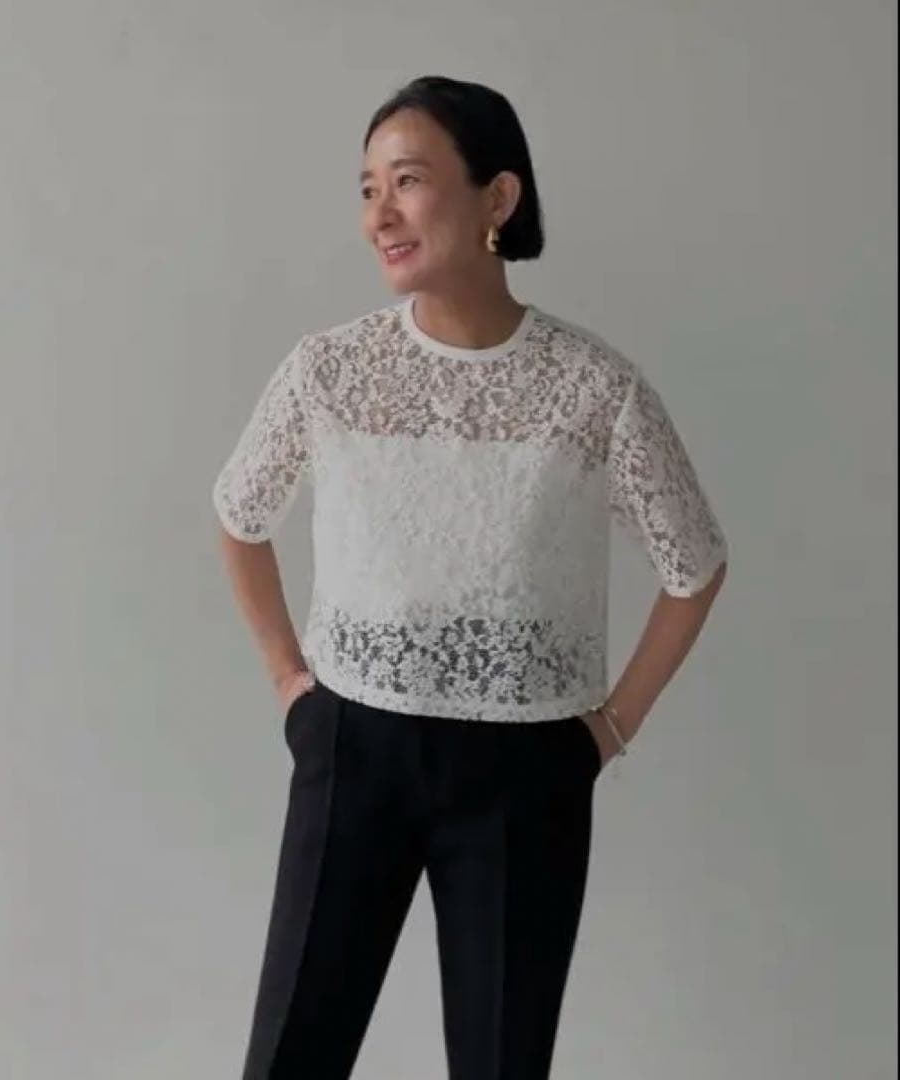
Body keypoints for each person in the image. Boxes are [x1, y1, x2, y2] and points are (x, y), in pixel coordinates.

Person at [212, 74, 728, 1080]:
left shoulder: (594, 388)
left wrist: (608, 729)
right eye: (367, 189)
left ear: (498, 197)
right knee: (290, 1060)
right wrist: (290, 685)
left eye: (407, 181)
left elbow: (693, 565)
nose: (380, 214)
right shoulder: (329, 370)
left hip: (524, 775)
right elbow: (239, 517)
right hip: (351, 747)